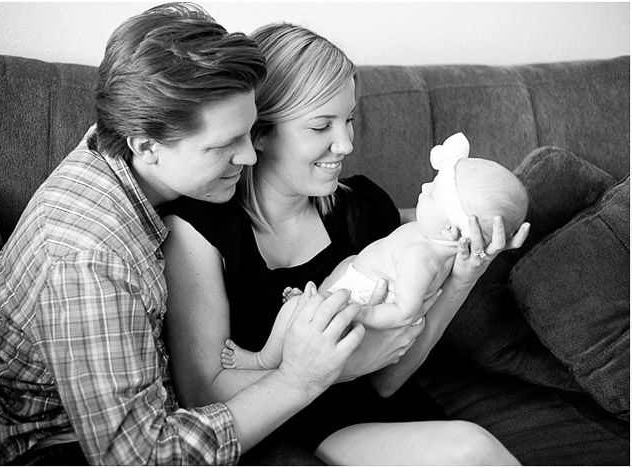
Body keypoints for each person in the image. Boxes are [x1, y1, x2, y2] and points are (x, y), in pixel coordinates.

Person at [0, 5, 367, 465]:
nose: (249, 156)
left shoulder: (133, 136)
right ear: (146, 145)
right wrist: (299, 378)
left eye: (249, 131)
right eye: (224, 145)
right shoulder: (90, 256)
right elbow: (142, 455)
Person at [162, 23, 529, 465]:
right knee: (467, 449)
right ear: (258, 132)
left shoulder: (362, 210)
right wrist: (341, 367)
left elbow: (388, 380)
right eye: (321, 126)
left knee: (470, 449)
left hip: (384, 420)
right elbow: (204, 397)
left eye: (349, 119)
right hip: (297, 430)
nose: (346, 143)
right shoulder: (199, 231)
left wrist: (463, 278)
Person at [220, 133, 529, 394]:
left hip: (357, 316)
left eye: (434, 193)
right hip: (338, 315)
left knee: (296, 312)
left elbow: (405, 317)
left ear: (452, 229)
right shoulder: (421, 233)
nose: (423, 187)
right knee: (325, 286)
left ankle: (263, 361)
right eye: (321, 125)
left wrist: (361, 312)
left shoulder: (419, 255)